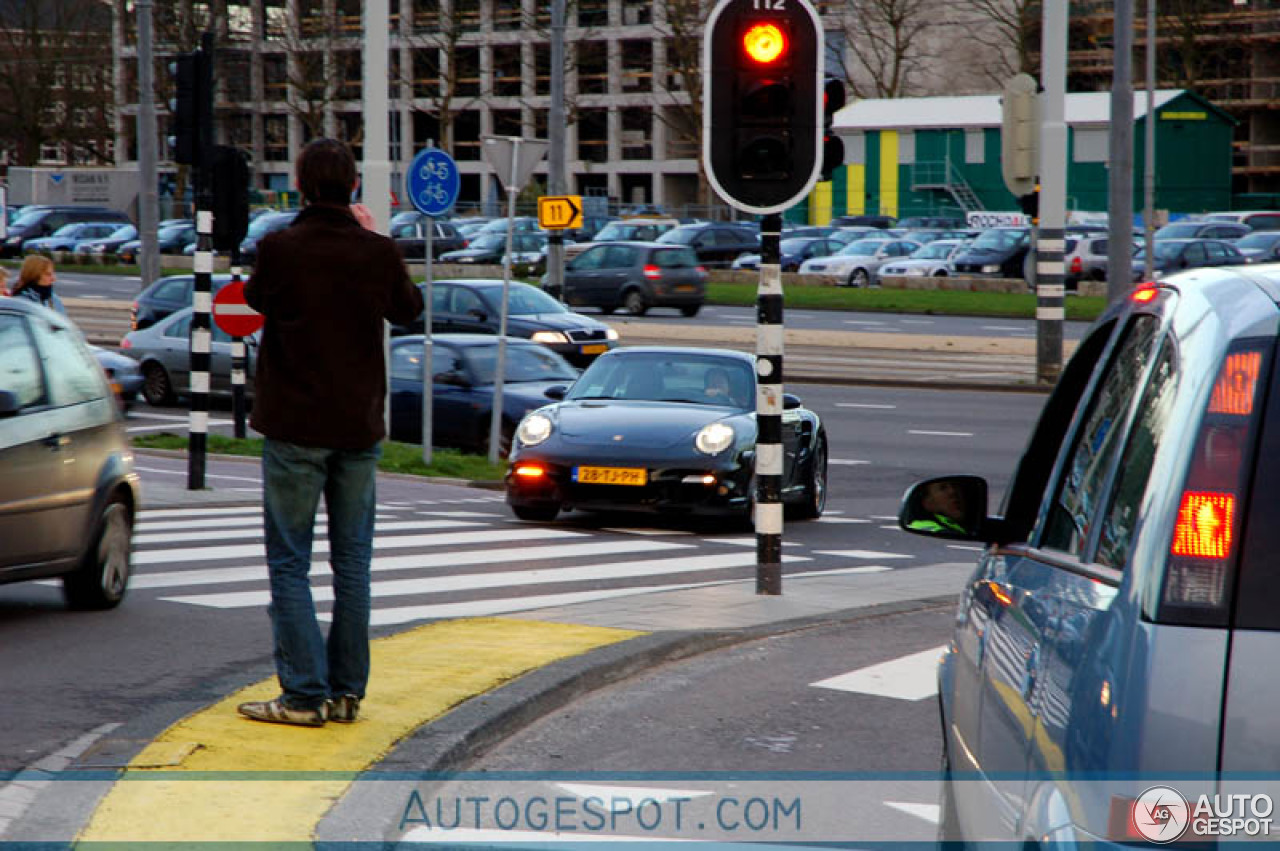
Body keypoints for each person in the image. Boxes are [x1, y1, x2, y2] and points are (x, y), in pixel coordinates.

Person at [236, 138, 424, 728]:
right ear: (351, 188)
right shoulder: (377, 251)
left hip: (294, 427)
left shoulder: (279, 247)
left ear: (301, 183)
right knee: (353, 563)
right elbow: (409, 310)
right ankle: (346, 693)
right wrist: (370, 235)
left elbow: (255, 297)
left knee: (290, 563)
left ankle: (301, 696)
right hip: (356, 427)